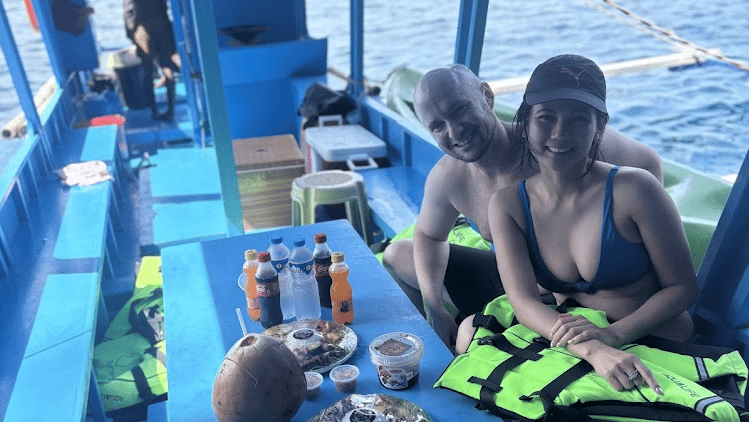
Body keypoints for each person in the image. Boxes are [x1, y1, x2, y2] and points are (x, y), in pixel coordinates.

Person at [454, 54, 698, 393]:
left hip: (649, 339)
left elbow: (683, 288)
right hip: (579, 342)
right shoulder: (509, 205)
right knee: (468, 331)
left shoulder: (635, 190)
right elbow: (523, 301)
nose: (559, 133)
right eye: (546, 117)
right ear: (525, 121)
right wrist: (594, 350)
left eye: (579, 119)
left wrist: (612, 336)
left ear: (600, 126)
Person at [382, 62, 663, 351]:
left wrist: (640, 237)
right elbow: (429, 235)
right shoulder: (448, 178)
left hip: (571, 292)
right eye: (438, 126)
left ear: (487, 96)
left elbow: (648, 162)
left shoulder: (552, 146)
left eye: (460, 109)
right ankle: (448, 330)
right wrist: (434, 307)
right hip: (514, 286)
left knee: (471, 332)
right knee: (396, 254)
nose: (454, 131)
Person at [123, 0, 181, 120]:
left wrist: (131, 33)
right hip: (162, 24)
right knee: (167, 67)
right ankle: (171, 111)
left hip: (142, 26)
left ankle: (154, 111)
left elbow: (129, 10)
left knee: (147, 70)